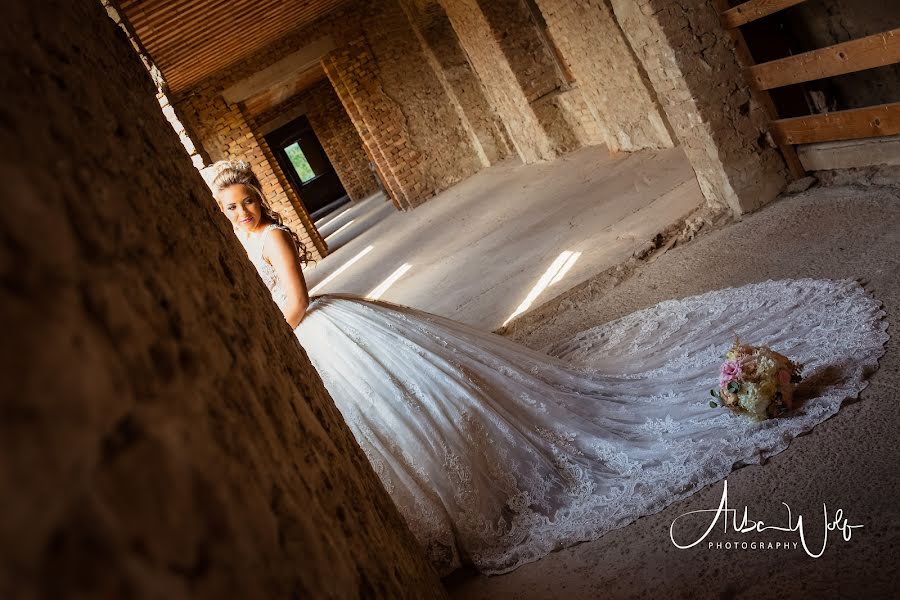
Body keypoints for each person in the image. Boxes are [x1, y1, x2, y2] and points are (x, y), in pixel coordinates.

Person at [211, 160, 888, 575]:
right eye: (230, 206)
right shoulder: (235, 242)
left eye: (246, 201)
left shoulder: (270, 237)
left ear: (260, 201)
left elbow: (294, 303)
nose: (242, 212)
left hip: (320, 329)